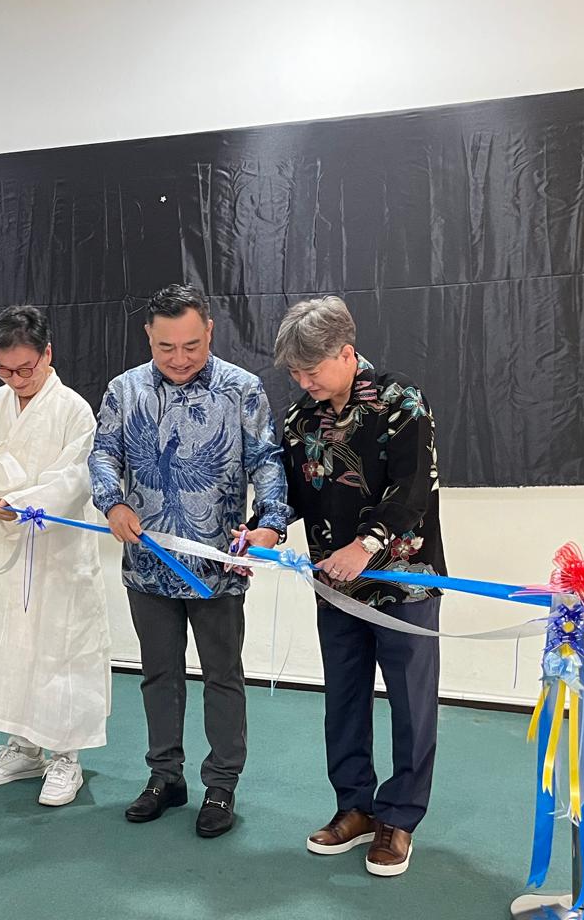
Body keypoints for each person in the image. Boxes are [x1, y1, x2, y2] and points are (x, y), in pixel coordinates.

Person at [88, 283, 291, 838]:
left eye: (192, 346)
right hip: (147, 565)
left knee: (223, 677)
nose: (178, 359)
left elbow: (268, 461)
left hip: (217, 568)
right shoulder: (124, 391)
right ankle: (165, 777)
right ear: (148, 337)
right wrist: (113, 500)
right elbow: (103, 453)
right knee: (159, 675)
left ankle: (221, 785)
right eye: (165, 347)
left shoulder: (241, 390)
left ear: (211, 334)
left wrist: (271, 522)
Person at [251, 295, 443, 877]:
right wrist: (264, 526)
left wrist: (366, 546)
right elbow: (287, 494)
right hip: (334, 588)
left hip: (402, 583)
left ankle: (399, 819)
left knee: (411, 704)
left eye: (312, 370)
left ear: (346, 351)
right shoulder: (298, 420)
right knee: (345, 698)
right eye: (295, 373)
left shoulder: (399, 401)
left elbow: (414, 489)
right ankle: (354, 807)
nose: (304, 381)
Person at [0, 305, 111, 807]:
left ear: (48, 355)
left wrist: (18, 506)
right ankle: (23, 747)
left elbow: (73, 478)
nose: (16, 379)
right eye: (5, 369)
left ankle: (66, 758)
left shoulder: (74, 411)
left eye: (26, 369)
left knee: (57, 649)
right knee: (7, 646)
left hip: (53, 552)